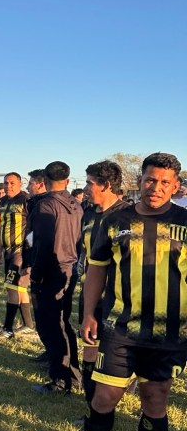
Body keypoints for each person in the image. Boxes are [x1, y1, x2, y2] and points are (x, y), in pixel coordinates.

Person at [70, 152, 187, 431]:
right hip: (119, 328)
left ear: (175, 186)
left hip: (169, 334)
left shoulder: (185, 222)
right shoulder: (115, 219)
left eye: (165, 182)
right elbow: (97, 268)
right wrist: (89, 314)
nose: (156, 187)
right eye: (150, 180)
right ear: (140, 180)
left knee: (155, 400)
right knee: (103, 397)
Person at [28, 161, 83, 395]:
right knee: (63, 322)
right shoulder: (76, 204)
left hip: (52, 270)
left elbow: (42, 242)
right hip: (70, 268)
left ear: (44, 181)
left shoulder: (45, 205)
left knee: (51, 324)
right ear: (67, 180)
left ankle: (61, 379)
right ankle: (72, 372)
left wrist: (35, 273)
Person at [76, 160, 126, 401]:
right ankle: (91, 407)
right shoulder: (87, 215)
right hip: (90, 294)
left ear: (106, 185)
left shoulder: (127, 216)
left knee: (117, 354)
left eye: (89, 183)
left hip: (119, 299)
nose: (86, 188)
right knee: (90, 349)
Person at [0, 172, 34, 338]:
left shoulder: (25, 200)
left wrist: (28, 250)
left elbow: (33, 227)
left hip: (20, 251)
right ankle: (28, 324)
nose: (8, 186)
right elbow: (3, 226)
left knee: (11, 288)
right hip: (7, 250)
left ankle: (7, 329)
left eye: (12, 183)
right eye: (6, 183)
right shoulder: (3, 201)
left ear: (20, 184)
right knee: (19, 288)